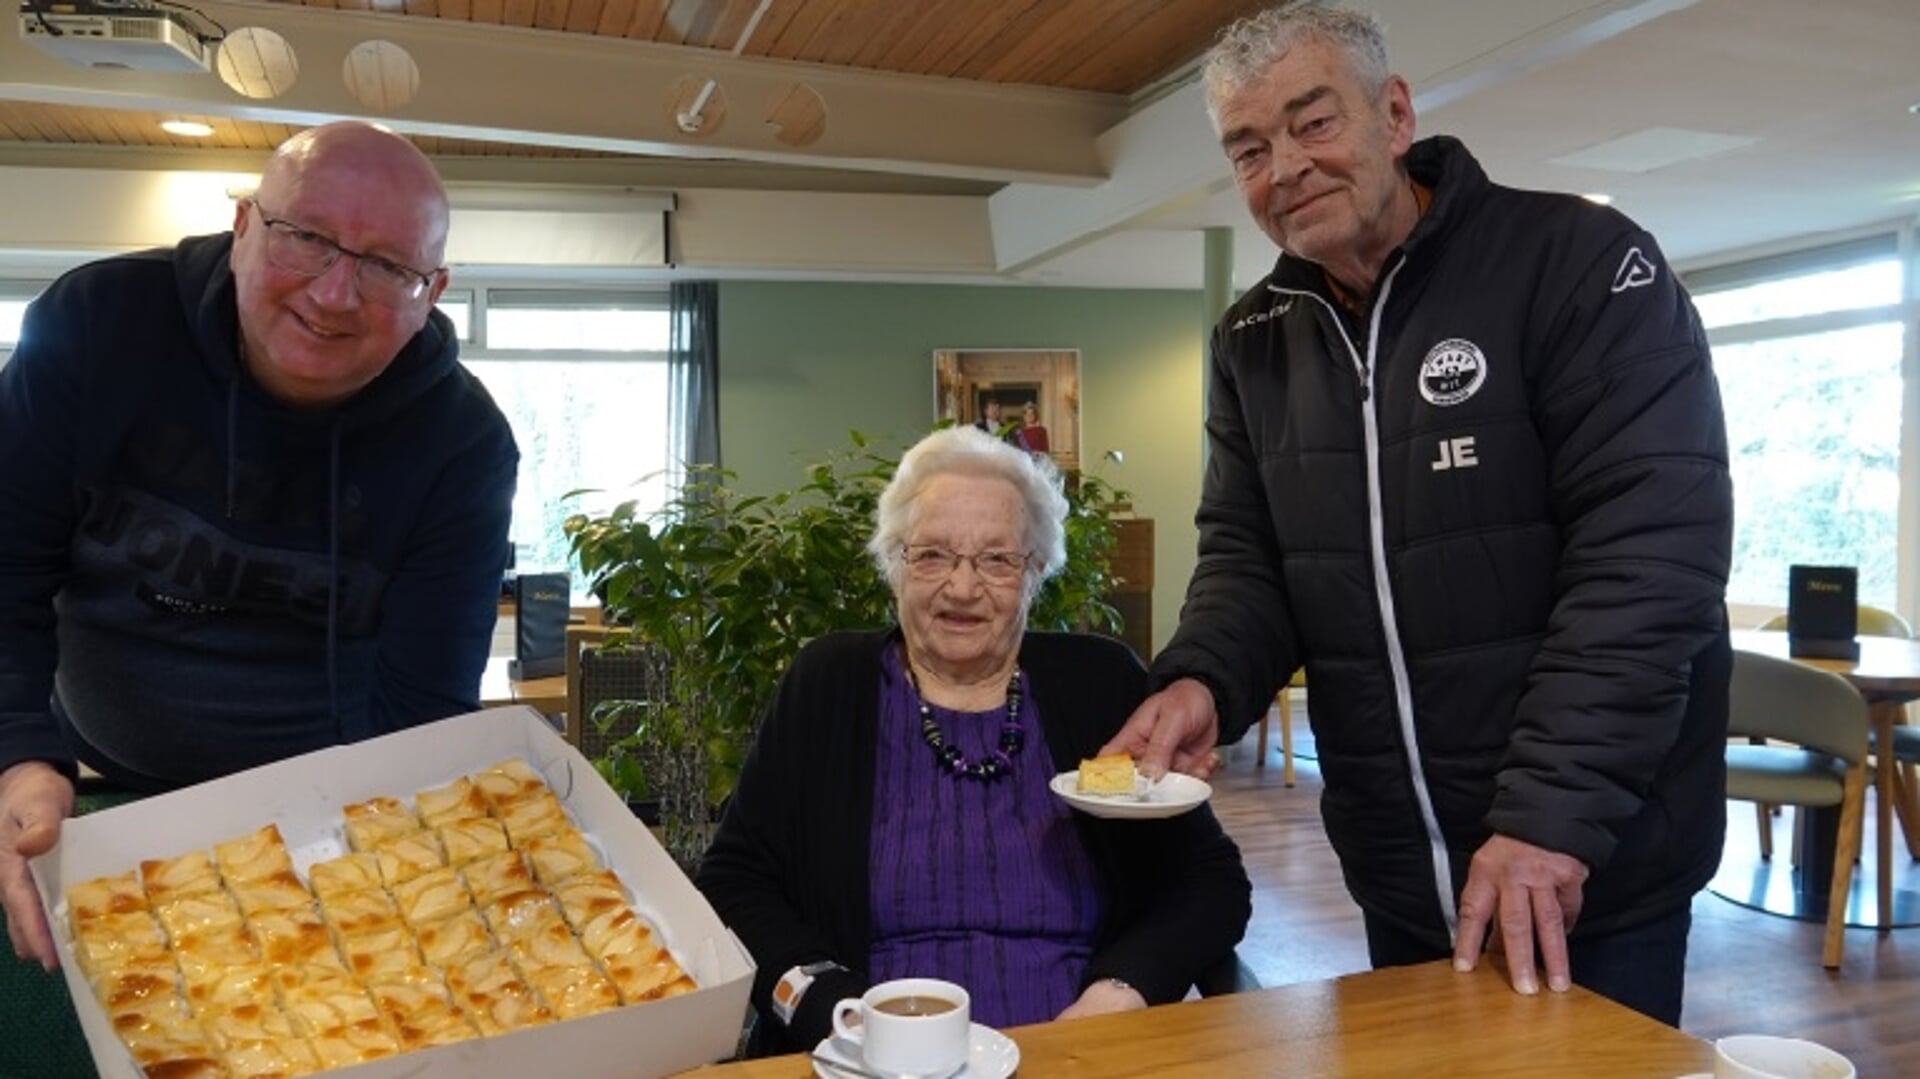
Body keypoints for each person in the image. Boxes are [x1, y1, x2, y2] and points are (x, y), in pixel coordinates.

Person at [1102, 3, 1731, 1027]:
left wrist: (1548, 818)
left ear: (1394, 115)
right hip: (1397, 869)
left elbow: (1649, 566)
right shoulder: (1253, 339)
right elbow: (1248, 559)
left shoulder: (1578, 264)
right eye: (1250, 149)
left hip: (1585, 868)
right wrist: (1202, 676)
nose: (1287, 167)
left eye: (1314, 123)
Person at [0, 122, 518, 967]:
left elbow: (421, 706)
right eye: (307, 237)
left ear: (433, 291)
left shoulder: (463, 444)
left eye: (388, 266)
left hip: (325, 815)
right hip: (87, 785)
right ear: (244, 227)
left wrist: (371, 857)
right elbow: (8, 566)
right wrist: (17, 755)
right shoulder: (98, 324)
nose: (336, 293)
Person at [697, 425, 1250, 1055]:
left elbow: (1211, 882)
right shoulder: (828, 685)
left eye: (996, 560)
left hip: (1075, 1052)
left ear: (1036, 571)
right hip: (872, 1062)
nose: (962, 589)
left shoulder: (1100, 684)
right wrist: (827, 1006)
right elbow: (736, 878)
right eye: (932, 555)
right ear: (893, 563)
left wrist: (1121, 992)